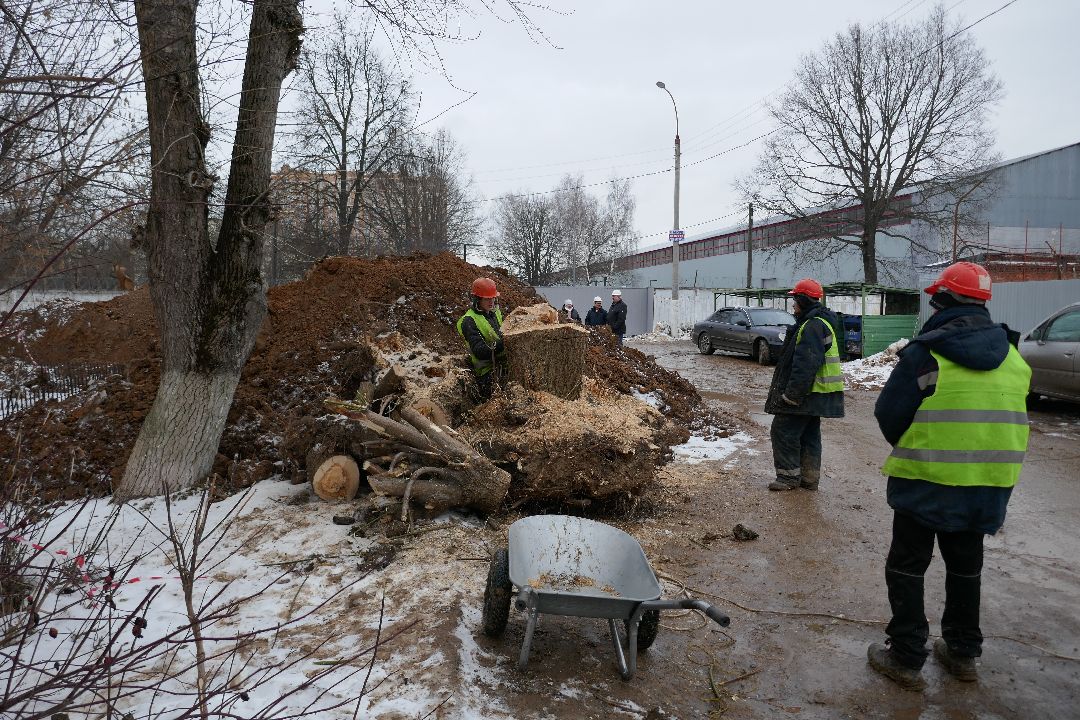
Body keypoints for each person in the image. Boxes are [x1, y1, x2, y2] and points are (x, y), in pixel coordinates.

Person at [867, 261, 1030, 691]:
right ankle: (962, 653)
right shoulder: (1013, 355)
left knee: (907, 565)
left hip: (927, 478)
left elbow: (889, 413)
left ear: (941, 299)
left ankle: (905, 656)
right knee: (966, 567)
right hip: (988, 482)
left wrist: (920, 444)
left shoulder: (928, 351)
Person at [764, 278, 844, 491]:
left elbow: (806, 364)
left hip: (805, 394)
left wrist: (792, 395)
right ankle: (809, 479)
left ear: (803, 300)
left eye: (795, 300)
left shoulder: (812, 326)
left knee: (783, 430)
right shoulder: (819, 323)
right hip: (816, 394)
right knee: (809, 434)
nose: (793, 304)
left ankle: (788, 478)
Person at [456, 277, 507, 401]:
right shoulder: (468, 321)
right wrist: (504, 343)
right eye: (487, 299)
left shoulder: (495, 313)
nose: (491, 302)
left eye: (493, 298)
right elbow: (480, 352)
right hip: (487, 373)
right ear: (477, 300)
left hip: (503, 364)